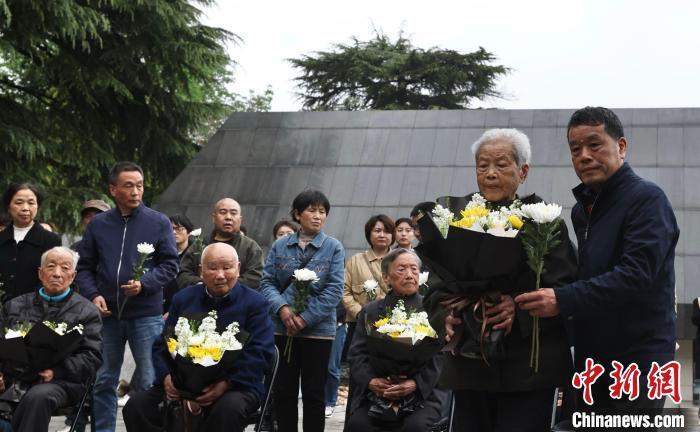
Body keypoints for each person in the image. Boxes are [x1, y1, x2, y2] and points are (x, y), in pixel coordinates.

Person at [515, 107, 680, 420]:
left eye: (595, 145)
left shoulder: (647, 199)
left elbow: (635, 276)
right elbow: (588, 275)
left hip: (638, 362)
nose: (584, 156)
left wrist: (561, 299)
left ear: (621, 146)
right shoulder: (582, 211)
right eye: (575, 149)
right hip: (592, 361)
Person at [423, 128, 578, 432]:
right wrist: (445, 315)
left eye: (502, 164)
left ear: (523, 171)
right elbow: (431, 289)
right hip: (470, 367)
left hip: (529, 369)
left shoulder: (544, 221)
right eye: (483, 166)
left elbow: (566, 290)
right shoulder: (455, 219)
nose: (490, 174)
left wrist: (517, 309)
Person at [122, 243, 275, 432]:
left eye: (227, 267)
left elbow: (260, 353)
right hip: (181, 383)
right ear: (201, 271)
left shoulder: (256, 304)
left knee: (227, 410)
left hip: (235, 386)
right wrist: (167, 378)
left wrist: (226, 384)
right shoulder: (184, 299)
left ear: (238, 268)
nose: (220, 275)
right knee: (137, 406)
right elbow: (163, 344)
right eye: (213, 268)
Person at [76, 161, 179, 432]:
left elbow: (170, 265)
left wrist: (144, 284)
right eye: (128, 186)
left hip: (145, 313)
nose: (136, 191)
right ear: (113, 189)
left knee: (149, 380)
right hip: (106, 314)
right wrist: (93, 294)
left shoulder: (158, 222)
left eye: (140, 185)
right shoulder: (98, 224)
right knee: (104, 379)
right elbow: (84, 267)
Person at [260, 190, 345, 432]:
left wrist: (305, 318)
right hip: (282, 328)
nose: (318, 216)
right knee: (284, 390)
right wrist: (283, 309)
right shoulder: (280, 245)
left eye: (322, 212)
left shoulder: (333, 248)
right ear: (297, 214)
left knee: (314, 392)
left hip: (318, 331)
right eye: (311, 210)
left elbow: (334, 289)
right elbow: (267, 283)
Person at [0, 247, 102, 432]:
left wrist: (57, 371)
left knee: (38, 396)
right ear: (40, 273)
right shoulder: (14, 305)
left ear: (73, 276)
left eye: (64, 268)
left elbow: (91, 357)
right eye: (51, 266)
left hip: (61, 382)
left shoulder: (87, 312)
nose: (57, 273)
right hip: (14, 377)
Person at [346, 248, 448, 432]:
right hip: (378, 391)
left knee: (415, 427)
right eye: (401, 269)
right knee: (359, 425)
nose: (409, 275)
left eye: (414, 269)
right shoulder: (371, 311)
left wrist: (415, 384)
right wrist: (371, 381)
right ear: (386, 277)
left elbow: (440, 356)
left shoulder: (434, 310)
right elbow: (357, 354)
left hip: (423, 392)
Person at [176, 198, 263, 290]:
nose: (228, 217)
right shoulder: (198, 245)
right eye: (223, 212)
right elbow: (183, 275)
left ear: (240, 219)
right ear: (213, 217)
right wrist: (206, 285)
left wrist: (224, 287)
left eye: (233, 213)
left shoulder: (250, 247)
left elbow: (255, 278)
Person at [342, 215, 395, 356]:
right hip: (359, 325)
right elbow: (344, 291)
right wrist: (360, 314)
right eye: (377, 230)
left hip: (394, 324)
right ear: (369, 234)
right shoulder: (355, 261)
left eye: (387, 231)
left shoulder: (401, 259)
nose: (382, 235)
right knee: (359, 364)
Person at [0, 182, 62, 303]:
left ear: (37, 206)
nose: (25, 208)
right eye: (19, 202)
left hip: (35, 310)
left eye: (31, 203)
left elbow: (51, 278)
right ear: (8, 206)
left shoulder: (50, 240)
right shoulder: (2, 238)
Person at [163, 214, 195, 313]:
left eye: (179, 229)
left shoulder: (195, 254)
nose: (174, 232)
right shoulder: (162, 252)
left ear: (189, 232)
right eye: (171, 228)